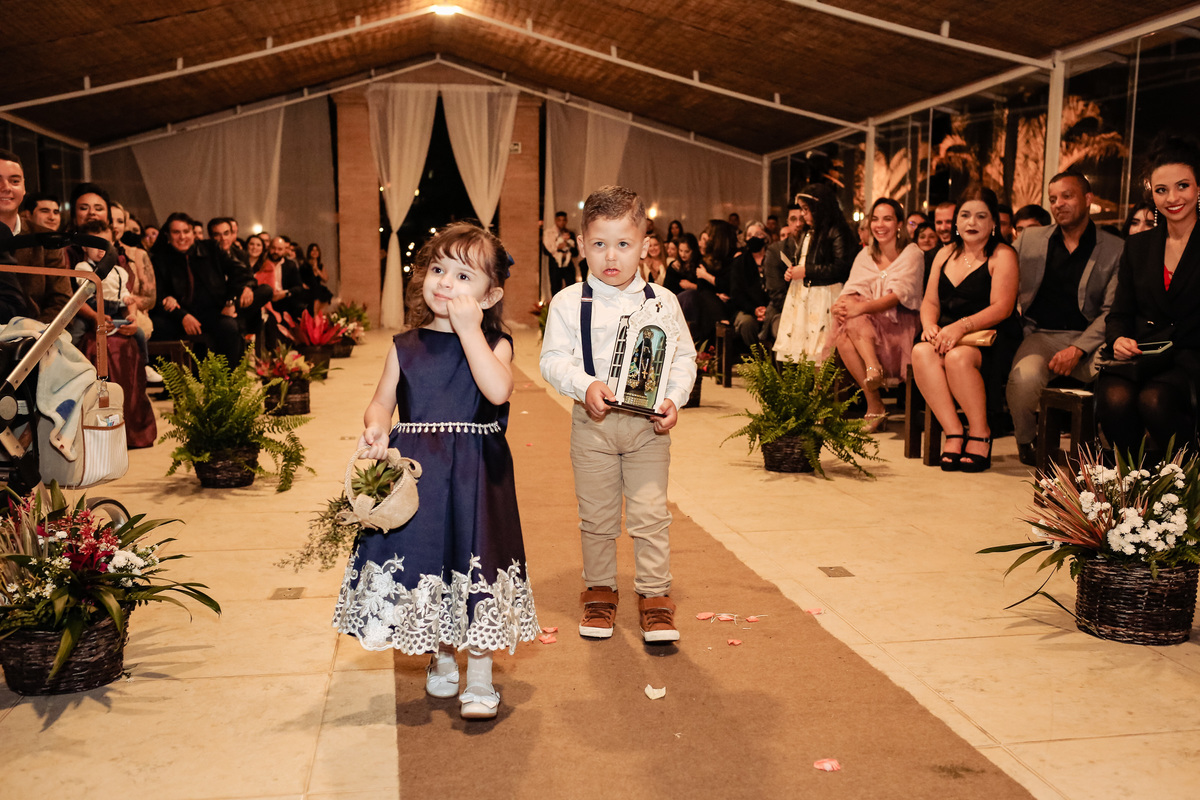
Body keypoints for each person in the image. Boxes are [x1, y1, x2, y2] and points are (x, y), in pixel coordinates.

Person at [340, 222, 536, 720]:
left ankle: (481, 674)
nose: (445, 282)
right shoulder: (405, 346)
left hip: (475, 472)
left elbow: (496, 391)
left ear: (490, 296)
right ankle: (442, 657)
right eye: (438, 268)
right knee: (431, 561)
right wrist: (377, 428)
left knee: (476, 561)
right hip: (421, 472)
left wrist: (470, 332)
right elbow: (381, 402)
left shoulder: (496, 341)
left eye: (463, 276)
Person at [540, 185, 696, 644]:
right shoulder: (569, 302)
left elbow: (683, 357)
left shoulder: (663, 302)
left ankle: (654, 598)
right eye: (600, 245)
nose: (612, 257)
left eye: (623, 244)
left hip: (648, 428)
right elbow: (552, 358)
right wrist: (583, 384)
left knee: (650, 514)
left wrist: (674, 399)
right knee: (597, 516)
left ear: (644, 246)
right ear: (584, 244)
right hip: (593, 427)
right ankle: (600, 592)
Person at [1006, 171, 1124, 466]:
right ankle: (1028, 441)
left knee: (1118, 373)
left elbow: (1111, 310)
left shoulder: (1114, 248)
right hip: (1040, 335)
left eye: (1067, 196)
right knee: (1024, 380)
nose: (1059, 204)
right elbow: (1004, 281)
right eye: (1053, 199)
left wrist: (1079, 349)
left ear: (1087, 199)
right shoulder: (1030, 240)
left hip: (1091, 339)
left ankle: (1107, 448)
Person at [1096, 135, 1200, 458]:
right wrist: (1117, 340)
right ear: (1151, 193)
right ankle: (1135, 485)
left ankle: (1184, 481)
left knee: (1154, 400)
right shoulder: (1138, 247)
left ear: (1198, 187)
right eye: (1161, 190)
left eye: (1182, 186)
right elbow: (1119, 313)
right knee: (1113, 398)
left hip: (1190, 358)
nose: (1172, 198)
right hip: (1144, 356)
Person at [912, 186, 1020, 472]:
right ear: (956, 221)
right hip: (949, 333)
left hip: (991, 335)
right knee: (921, 352)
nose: (972, 223)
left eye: (981, 216)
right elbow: (930, 301)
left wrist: (960, 327)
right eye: (965, 215)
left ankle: (981, 432)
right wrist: (929, 325)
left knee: (958, 358)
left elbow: (1003, 307)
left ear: (994, 222)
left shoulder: (1003, 254)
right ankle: (954, 431)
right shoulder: (943, 254)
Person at [830, 198, 925, 433]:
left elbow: (898, 296)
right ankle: (874, 394)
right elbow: (851, 288)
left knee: (851, 323)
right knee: (845, 326)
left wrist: (859, 308)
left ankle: (875, 403)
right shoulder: (865, 255)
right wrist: (839, 306)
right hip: (867, 327)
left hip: (901, 324)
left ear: (899, 224)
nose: (880, 225)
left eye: (887, 219)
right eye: (875, 219)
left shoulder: (913, 253)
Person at [150, 211, 254, 366]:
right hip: (179, 313)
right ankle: (174, 384)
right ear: (168, 235)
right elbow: (158, 294)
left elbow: (240, 272)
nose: (182, 237)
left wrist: (231, 301)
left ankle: (227, 383)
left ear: (193, 233)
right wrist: (182, 316)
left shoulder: (211, 248)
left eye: (186, 231)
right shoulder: (160, 258)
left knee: (229, 327)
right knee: (156, 327)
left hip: (211, 311)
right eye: (176, 232)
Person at [773, 183, 857, 362]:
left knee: (821, 349)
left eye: (806, 209)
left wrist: (806, 271)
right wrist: (793, 271)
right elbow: (805, 260)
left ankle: (821, 388)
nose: (803, 214)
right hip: (806, 293)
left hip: (825, 295)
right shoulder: (810, 231)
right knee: (805, 350)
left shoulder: (837, 230)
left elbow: (841, 267)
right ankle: (808, 388)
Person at [0, 150, 71, 324]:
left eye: (14, 181)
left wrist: (34, 336)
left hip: (38, 338)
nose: (6, 187)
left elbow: (62, 300)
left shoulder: (45, 238)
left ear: (24, 187)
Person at [728, 220, 772, 349]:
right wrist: (754, 310)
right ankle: (759, 359)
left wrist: (767, 310)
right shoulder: (739, 262)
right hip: (746, 309)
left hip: (771, 307)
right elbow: (736, 293)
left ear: (766, 237)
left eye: (758, 234)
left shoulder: (773, 258)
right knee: (747, 323)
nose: (753, 238)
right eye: (749, 235)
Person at [545, 211, 579, 295]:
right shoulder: (549, 234)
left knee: (571, 289)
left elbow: (576, 252)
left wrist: (568, 245)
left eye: (564, 220)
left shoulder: (570, 233)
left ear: (566, 221)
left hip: (568, 265)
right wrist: (558, 247)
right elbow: (545, 250)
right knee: (555, 289)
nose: (561, 222)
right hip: (555, 265)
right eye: (559, 220)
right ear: (556, 221)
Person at [302, 242, 334, 313]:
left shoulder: (320, 265)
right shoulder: (305, 265)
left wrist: (317, 270)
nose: (315, 252)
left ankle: (320, 317)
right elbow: (300, 278)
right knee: (315, 294)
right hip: (309, 289)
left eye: (316, 250)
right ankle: (315, 315)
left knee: (324, 294)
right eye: (312, 250)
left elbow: (325, 279)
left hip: (318, 288)